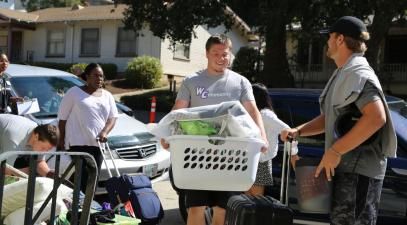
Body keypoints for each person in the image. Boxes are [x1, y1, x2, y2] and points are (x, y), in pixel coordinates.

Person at [281, 16, 397, 225]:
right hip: (348, 172)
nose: (327, 42)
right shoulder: (344, 72)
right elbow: (331, 118)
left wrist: (335, 151)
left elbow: (376, 117)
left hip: (358, 174)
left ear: (340, 39)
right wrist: (298, 131)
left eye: (330, 37)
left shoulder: (357, 72)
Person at [162, 34, 268, 225]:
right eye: (216, 53)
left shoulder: (241, 82)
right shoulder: (192, 81)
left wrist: (263, 136)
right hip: (196, 156)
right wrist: (166, 132)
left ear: (230, 54)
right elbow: (179, 110)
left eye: (225, 54)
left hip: (231, 156)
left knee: (223, 210)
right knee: (196, 208)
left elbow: (253, 111)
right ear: (207, 54)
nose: (221, 58)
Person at [57, 63, 118, 193]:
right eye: (95, 76)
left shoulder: (107, 96)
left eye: (101, 76)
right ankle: (77, 210)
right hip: (77, 143)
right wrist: (61, 140)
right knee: (82, 179)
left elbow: (112, 118)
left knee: (93, 179)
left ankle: (89, 209)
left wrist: (104, 132)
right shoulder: (74, 92)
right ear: (87, 77)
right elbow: (62, 119)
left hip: (97, 145)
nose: (99, 79)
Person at [247, 83, 298, 196]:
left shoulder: (265, 115)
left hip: (260, 161)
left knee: (253, 201)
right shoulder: (257, 114)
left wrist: (293, 154)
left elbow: (288, 130)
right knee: (250, 202)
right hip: (254, 160)